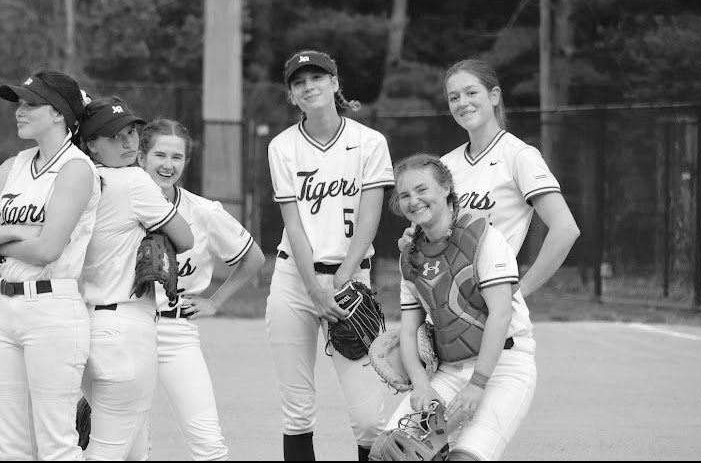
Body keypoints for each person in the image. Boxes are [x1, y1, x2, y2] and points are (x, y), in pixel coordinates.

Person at [0, 70, 101, 461]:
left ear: (59, 114)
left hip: (53, 309)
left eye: (30, 103)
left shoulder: (76, 168)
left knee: (56, 442)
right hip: (4, 309)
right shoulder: (13, 166)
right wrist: (18, 232)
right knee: (11, 443)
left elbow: (48, 249)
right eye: (19, 103)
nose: (19, 111)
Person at [265, 49, 394, 462]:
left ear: (335, 84)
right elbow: (294, 225)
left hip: (351, 281)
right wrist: (313, 289)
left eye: (317, 77)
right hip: (293, 281)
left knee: (370, 419)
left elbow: (370, 215)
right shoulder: (282, 147)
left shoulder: (369, 142)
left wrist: (341, 279)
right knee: (297, 411)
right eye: (299, 82)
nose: (308, 86)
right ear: (292, 95)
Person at [389, 152, 536, 461]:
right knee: (395, 452)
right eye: (404, 195)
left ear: (445, 189)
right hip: (448, 369)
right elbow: (409, 329)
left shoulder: (484, 239)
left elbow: (500, 313)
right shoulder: (410, 259)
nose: (413, 200)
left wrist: (478, 384)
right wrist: (420, 385)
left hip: (502, 369)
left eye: (421, 189)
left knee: (464, 458)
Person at [134, 117, 266, 461]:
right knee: (129, 446)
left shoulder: (203, 212)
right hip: (126, 329)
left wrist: (215, 302)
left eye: (176, 157)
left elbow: (253, 258)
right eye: (160, 155)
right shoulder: (117, 205)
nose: (167, 165)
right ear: (141, 157)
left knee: (207, 442)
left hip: (176, 331)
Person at [399, 59, 579, 298]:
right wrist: (411, 245)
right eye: (454, 97)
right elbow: (424, 236)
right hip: (444, 301)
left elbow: (565, 229)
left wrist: (520, 291)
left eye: (471, 92)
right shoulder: (445, 164)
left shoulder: (518, 156)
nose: (462, 103)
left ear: (494, 96)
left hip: (491, 300)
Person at [76, 98, 194, 461]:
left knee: (134, 450)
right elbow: (185, 237)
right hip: (124, 329)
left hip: (80, 324)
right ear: (92, 144)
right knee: (108, 451)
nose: (128, 142)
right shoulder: (132, 180)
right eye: (114, 136)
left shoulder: (74, 179)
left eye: (131, 132)